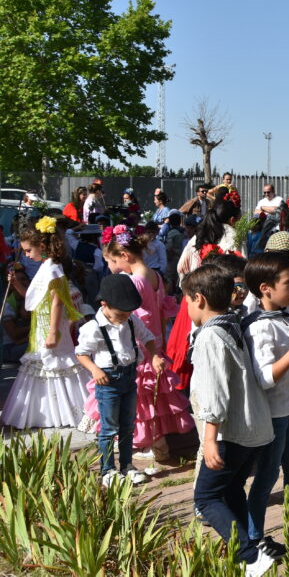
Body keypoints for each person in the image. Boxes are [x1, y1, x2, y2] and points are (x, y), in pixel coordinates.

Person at [185, 264, 275, 577]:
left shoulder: (210, 336)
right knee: (233, 488)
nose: (186, 307)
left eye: (185, 300)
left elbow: (215, 391)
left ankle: (250, 557)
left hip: (230, 432)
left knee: (207, 497)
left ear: (198, 299)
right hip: (254, 428)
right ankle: (253, 542)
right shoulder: (232, 322)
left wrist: (210, 438)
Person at [80, 225, 193, 460]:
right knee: (150, 397)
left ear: (125, 256)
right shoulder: (155, 276)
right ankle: (156, 441)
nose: (111, 267)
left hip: (139, 348)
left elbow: (131, 320)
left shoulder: (133, 281)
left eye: (112, 261)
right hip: (154, 343)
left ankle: (146, 444)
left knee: (139, 398)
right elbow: (161, 313)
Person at [243, 252, 289, 560]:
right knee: (268, 476)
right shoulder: (260, 328)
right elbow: (265, 377)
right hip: (273, 416)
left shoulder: (286, 317)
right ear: (265, 289)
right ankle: (253, 536)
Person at [1, 217, 90, 429]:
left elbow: (57, 302)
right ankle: (46, 413)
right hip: (42, 326)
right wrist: (15, 284)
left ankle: (67, 412)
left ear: (42, 246)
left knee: (55, 364)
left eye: (28, 251)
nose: (27, 255)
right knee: (42, 366)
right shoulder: (45, 267)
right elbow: (36, 299)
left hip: (52, 326)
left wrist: (52, 331)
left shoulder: (52, 269)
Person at [75, 274, 160, 487]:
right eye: (120, 313)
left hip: (129, 377)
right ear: (105, 304)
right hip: (108, 382)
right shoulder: (93, 327)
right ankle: (107, 470)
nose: (125, 317)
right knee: (109, 427)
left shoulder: (131, 320)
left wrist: (155, 356)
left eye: (128, 313)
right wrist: (94, 369)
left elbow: (147, 338)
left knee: (127, 425)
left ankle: (126, 465)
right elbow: (81, 353)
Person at [166, 197, 244, 392]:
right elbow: (241, 267)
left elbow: (180, 266)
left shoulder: (199, 235)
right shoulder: (234, 236)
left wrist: (190, 283)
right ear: (233, 220)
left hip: (192, 300)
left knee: (187, 347)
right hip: (219, 300)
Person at [1, 265, 31, 368]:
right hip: (9, 348)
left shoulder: (29, 301)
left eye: (23, 279)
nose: (21, 283)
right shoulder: (7, 305)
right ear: (12, 285)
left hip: (23, 342)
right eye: (17, 281)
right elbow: (14, 334)